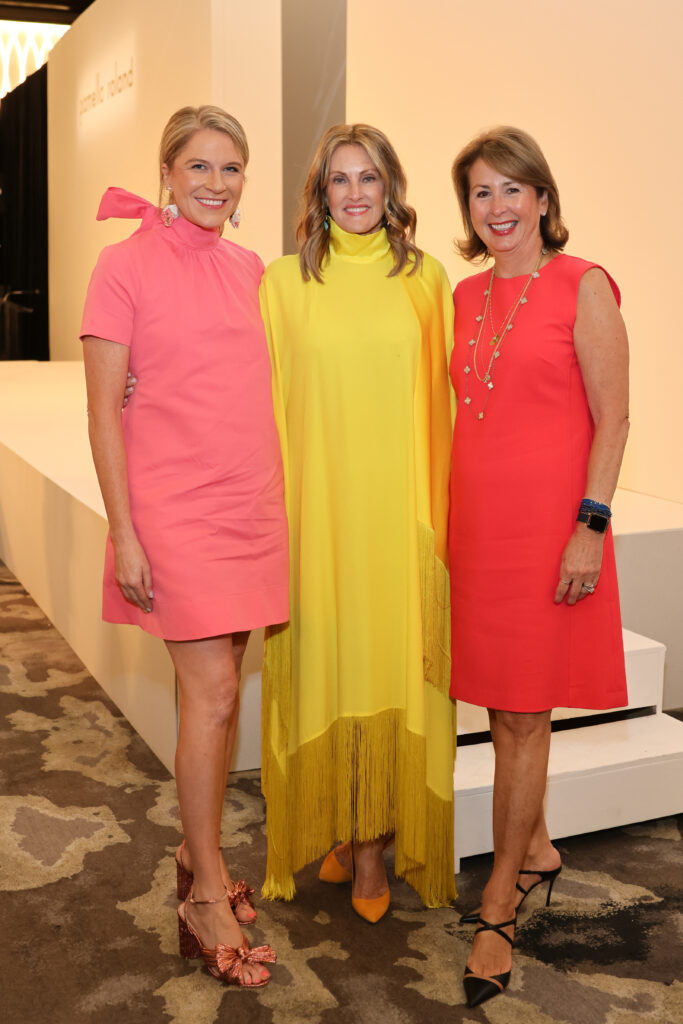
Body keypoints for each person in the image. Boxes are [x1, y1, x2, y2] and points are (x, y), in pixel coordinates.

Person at [80, 105, 288, 987]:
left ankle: (193, 848)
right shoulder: (120, 266)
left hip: (251, 505)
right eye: (198, 167)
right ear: (167, 173)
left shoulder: (253, 269)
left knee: (221, 690)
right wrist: (124, 531)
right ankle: (204, 887)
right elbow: (102, 412)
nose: (214, 184)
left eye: (230, 168)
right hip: (172, 514)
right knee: (208, 695)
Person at [448, 126, 629, 1007]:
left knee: (522, 717)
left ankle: (496, 906)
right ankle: (540, 846)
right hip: (477, 534)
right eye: (481, 193)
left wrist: (588, 527)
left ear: (544, 199)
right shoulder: (459, 297)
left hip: (551, 533)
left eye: (512, 189)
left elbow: (614, 417)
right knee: (499, 704)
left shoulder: (582, 285)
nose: (498, 207)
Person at [259, 123, 457, 920]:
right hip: (315, 517)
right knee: (327, 667)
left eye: (368, 178)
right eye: (338, 180)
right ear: (318, 193)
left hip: (399, 517)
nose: (353, 194)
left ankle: (371, 848)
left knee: (383, 671)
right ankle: (341, 830)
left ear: (391, 189)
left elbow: (453, 401)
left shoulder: (427, 280)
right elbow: (251, 395)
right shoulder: (280, 285)